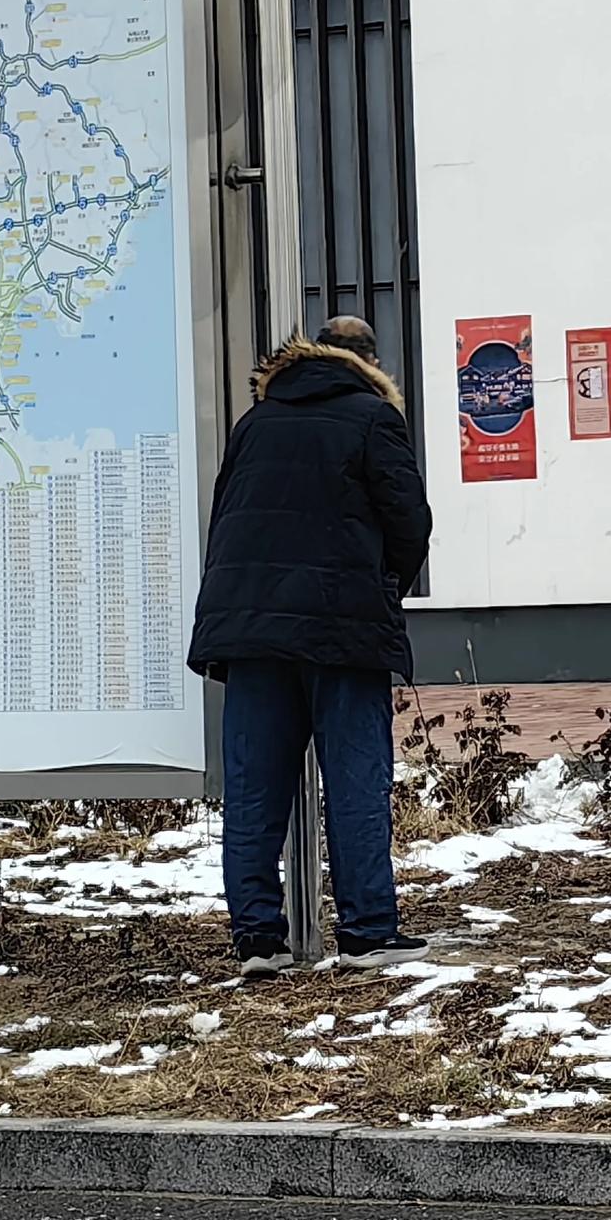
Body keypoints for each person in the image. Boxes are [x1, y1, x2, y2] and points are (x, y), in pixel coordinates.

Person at [188, 315, 433, 975]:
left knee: (254, 790)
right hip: (341, 629)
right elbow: (410, 524)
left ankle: (258, 941)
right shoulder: (374, 419)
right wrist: (382, 589)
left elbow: (228, 520)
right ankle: (367, 931)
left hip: (252, 633)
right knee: (354, 780)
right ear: (370, 362)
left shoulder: (254, 425)